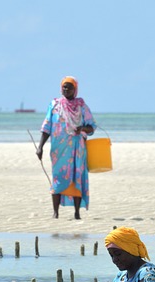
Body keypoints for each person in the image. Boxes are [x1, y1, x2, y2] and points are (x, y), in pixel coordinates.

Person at [36, 76, 97, 219]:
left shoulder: (81, 106)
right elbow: (47, 128)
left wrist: (82, 128)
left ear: (75, 89)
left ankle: (77, 213)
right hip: (59, 149)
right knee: (57, 178)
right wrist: (40, 147)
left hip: (77, 147)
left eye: (69, 87)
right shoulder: (55, 105)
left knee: (77, 177)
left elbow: (92, 126)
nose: (66, 89)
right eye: (64, 86)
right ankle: (55, 213)